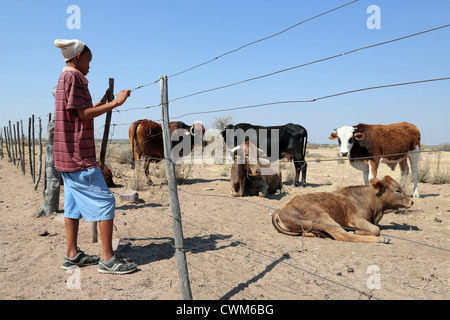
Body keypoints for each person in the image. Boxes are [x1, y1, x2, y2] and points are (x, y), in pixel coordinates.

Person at [54, 39, 137, 274]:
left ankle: (71, 255)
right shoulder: (75, 77)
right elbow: (82, 115)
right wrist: (115, 102)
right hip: (79, 156)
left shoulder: (63, 78)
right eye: (89, 60)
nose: (90, 66)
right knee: (106, 202)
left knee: (71, 206)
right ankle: (108, 259)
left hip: (65, 155)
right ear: (79, 56)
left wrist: (100, 102)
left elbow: (76, 113)